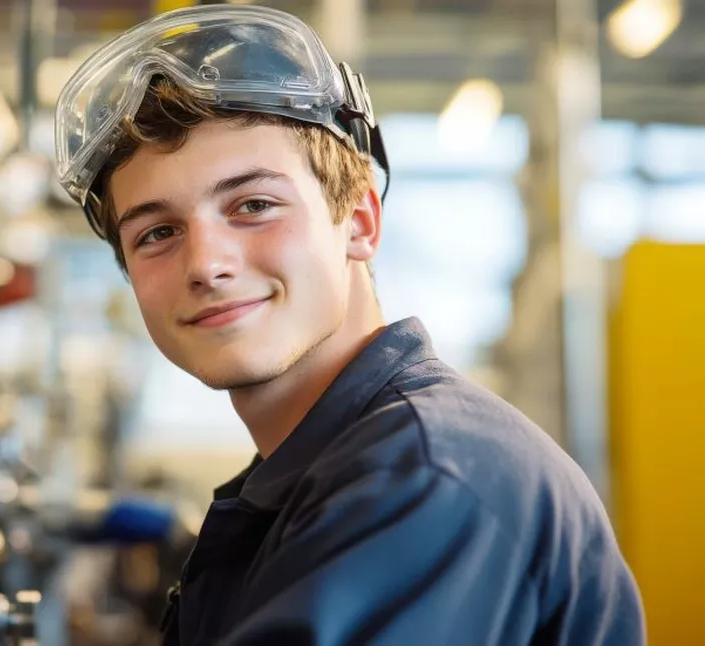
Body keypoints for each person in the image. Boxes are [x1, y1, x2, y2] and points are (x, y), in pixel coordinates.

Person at [53, 5, 645, 645]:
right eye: (158, 233)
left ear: (360, 222)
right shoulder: (321, 474)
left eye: (253, 205)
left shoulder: (424, 479)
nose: (206, 264)